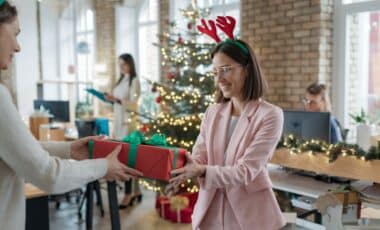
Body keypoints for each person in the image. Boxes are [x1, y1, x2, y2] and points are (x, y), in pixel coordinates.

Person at [0, 2, 142, 229]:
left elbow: (18, 150)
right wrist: (103, 166)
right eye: (15, 34)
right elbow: (48, 174)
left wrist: (68, 149)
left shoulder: (134, 81)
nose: (18, 47)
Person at [165, 35, 286, 229]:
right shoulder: (212, 112)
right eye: (215, 72)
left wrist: (202, 170)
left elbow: (246, 171)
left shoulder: (270, 115)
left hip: (251, 218)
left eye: (226, 70)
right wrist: (183, 175)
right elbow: (199, 157)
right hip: (209, 215)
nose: (219, 79)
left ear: (247, 70)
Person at [104, 53, 142, 209]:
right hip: (118, 123)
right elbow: (117, 103)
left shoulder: (134, 81)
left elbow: (134, 104)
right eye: (119, 64)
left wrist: (117, 100)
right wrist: (109, 98)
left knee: (128, 159)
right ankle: (136, 191)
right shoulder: (120, 81)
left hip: (128, 124)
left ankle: (128, 194)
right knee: (125, 158)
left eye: (124, 64)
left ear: (130, 65)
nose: (121, 67)